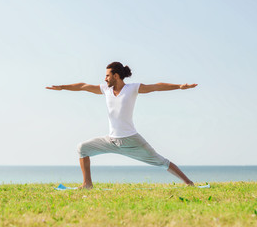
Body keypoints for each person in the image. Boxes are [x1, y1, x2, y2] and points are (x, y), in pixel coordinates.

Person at [46, 62, 198, 189]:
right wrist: (62, 87)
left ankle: (189, 183)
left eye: (107, 75)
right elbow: (82, 86)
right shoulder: (105, 90)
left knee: (160, 161)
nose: (105, 78)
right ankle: (87, 184)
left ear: (116, 76)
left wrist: (179, 86)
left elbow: (156, 86)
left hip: (131, 140)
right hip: (111, 140)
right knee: (82, 148)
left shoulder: (132, 88)